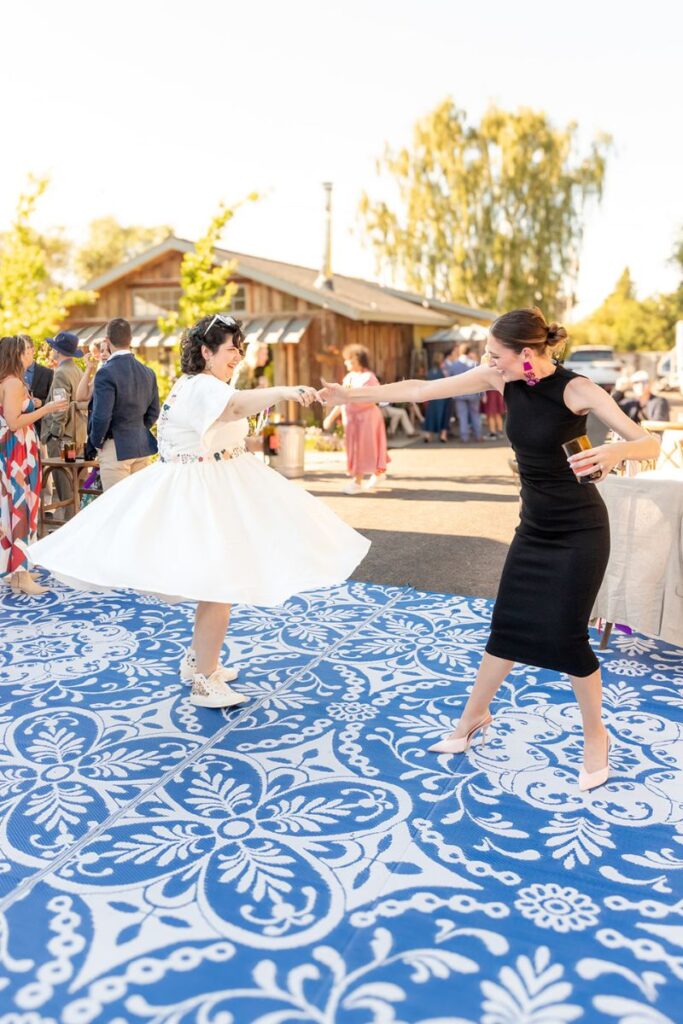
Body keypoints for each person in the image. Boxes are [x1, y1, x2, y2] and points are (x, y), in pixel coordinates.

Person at [319, 306, 660, 792]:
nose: (487, 360)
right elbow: (419, 389)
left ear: (526, 353)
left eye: (495, 354)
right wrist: (350, 393)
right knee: (507, 624)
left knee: (565, 638)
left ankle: (596, 736)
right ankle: (474, 718)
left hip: (580, 531)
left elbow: (647, 443)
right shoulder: (503, 379)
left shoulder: (577, 388)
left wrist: (614, 451)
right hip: (533, 527)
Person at [29, 314, 369, 708]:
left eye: (239, 349)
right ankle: (204, 679)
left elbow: (228, 422)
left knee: (219, 582)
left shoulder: (201, 385)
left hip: (217, 485)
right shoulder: (205, 387)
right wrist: (285, 391)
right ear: (206, 352)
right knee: (220, 584)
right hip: (205, 493)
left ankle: (199, 661)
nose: (237, 357)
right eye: (230, 349)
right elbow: (236, 406)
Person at [0, 336, 68, 595]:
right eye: (28, 350)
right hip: (19, 451)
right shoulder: (14, 382)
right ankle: (22, 575)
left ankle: (18, 572)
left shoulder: (9, 381)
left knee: (15, 507)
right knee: (22, 507)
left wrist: (35, 403)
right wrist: (46, 408)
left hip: (12, 450)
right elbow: (14, 421)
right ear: (17, 354)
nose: (32, 353)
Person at [89, 318, 160, 490]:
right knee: (139, 507)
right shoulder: (148, 372)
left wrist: (96, 442)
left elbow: (102, 416)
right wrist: (136, 429)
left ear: (107, 341)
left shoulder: (106, 373)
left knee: (116, 509)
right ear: (130, 340)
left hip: (115, 447)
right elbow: (154, 411)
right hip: (140, 446)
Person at [322, 344, 389, 494]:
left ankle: (357, 482)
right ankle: (378, 474)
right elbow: (342, 400)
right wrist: (330, 418)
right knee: (359, 449)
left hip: (367, 420)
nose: (345, 363)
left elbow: (375, 398)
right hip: (352, 421)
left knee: (364, 449)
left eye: (347, 360)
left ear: (356, 360)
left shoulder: (369, 378)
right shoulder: (349, 377)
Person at [43, 332, 87, 516]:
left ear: (58, 350)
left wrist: (55, 433)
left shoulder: (61, 372)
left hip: (64, 439)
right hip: (79, 435)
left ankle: (69, 530)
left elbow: (60, 406)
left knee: (65, 490)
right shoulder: (77, 370)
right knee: (76, 487)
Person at [445, 343, 482, 442]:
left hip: (459, 394)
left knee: (462, 416)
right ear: (469, 352)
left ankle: (464, 437)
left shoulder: (454, 364)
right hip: (474, 393)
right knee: (475, 415)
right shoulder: (474, 364)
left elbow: (450, 379)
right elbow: (481, 379)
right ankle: (478, 436)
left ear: (460, 351)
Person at [23, 339, 54, 443]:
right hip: (19, 427)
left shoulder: (48, 373)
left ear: (33, 350)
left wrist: (42, 403)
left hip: (41, 428)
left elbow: (53, 398)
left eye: (27, 347)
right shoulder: (12, 374)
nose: (24, 351)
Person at [422, 351, 451, 443]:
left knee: (431, 416)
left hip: (432, 397)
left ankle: (428, 435)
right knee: (444, 416)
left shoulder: (430, 371)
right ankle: (443, 435)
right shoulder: (444, 371)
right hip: (443, 396)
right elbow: (448, 382)